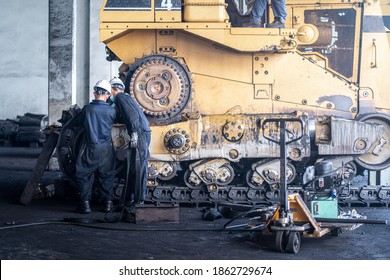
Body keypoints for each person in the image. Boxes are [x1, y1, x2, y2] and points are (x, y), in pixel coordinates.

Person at [74, 80, 116, 214]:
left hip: (90, 148)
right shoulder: (111, 111)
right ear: (108, 95)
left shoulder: (87, 109)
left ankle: (85, 205)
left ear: (94, 92)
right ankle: (108, 204)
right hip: (107, 149)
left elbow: (76, 123)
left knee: (83, 175)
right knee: (107, 175)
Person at [109, 77, 151, 206]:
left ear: (113, 89)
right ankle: (132, 198)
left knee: (138, 167)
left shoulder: (121, 98)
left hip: (139, 133)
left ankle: (139, 200)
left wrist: (134, 135)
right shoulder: (125, 98)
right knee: (134, 166)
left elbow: (132, 117)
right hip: (142, 132)